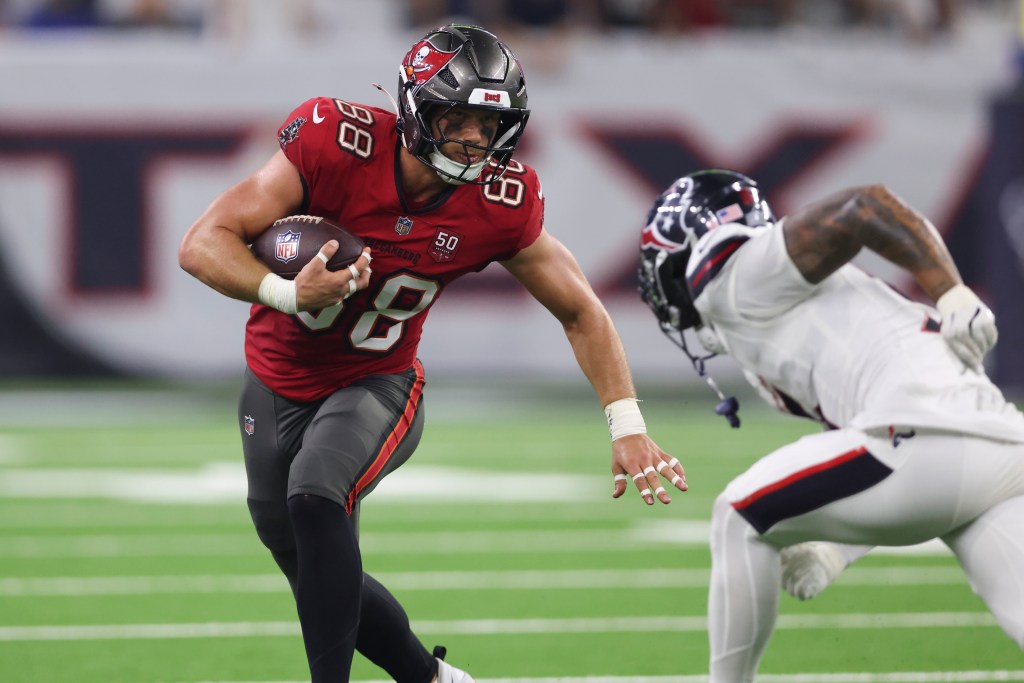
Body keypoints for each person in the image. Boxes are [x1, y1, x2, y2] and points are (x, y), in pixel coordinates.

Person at [178, 24, 685, 683]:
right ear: (418, 108)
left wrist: (628, 425)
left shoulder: (500, 200)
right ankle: (433, 679)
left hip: (377, 382)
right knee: (306, 556)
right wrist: (283, 289)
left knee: (315, 496)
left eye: (490, 123)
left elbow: (580, 307)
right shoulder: (336, 142)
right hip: (275, 380)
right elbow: (202, 242)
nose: (477, 138)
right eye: (461, 118)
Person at [636, 169, 1024, 681]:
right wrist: (835, 551)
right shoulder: (780, 316)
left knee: (738, 516)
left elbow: (867, 205)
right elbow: (864, 467)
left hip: (922, 431)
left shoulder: (736, 280)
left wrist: (951, 291)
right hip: (1001, 448)